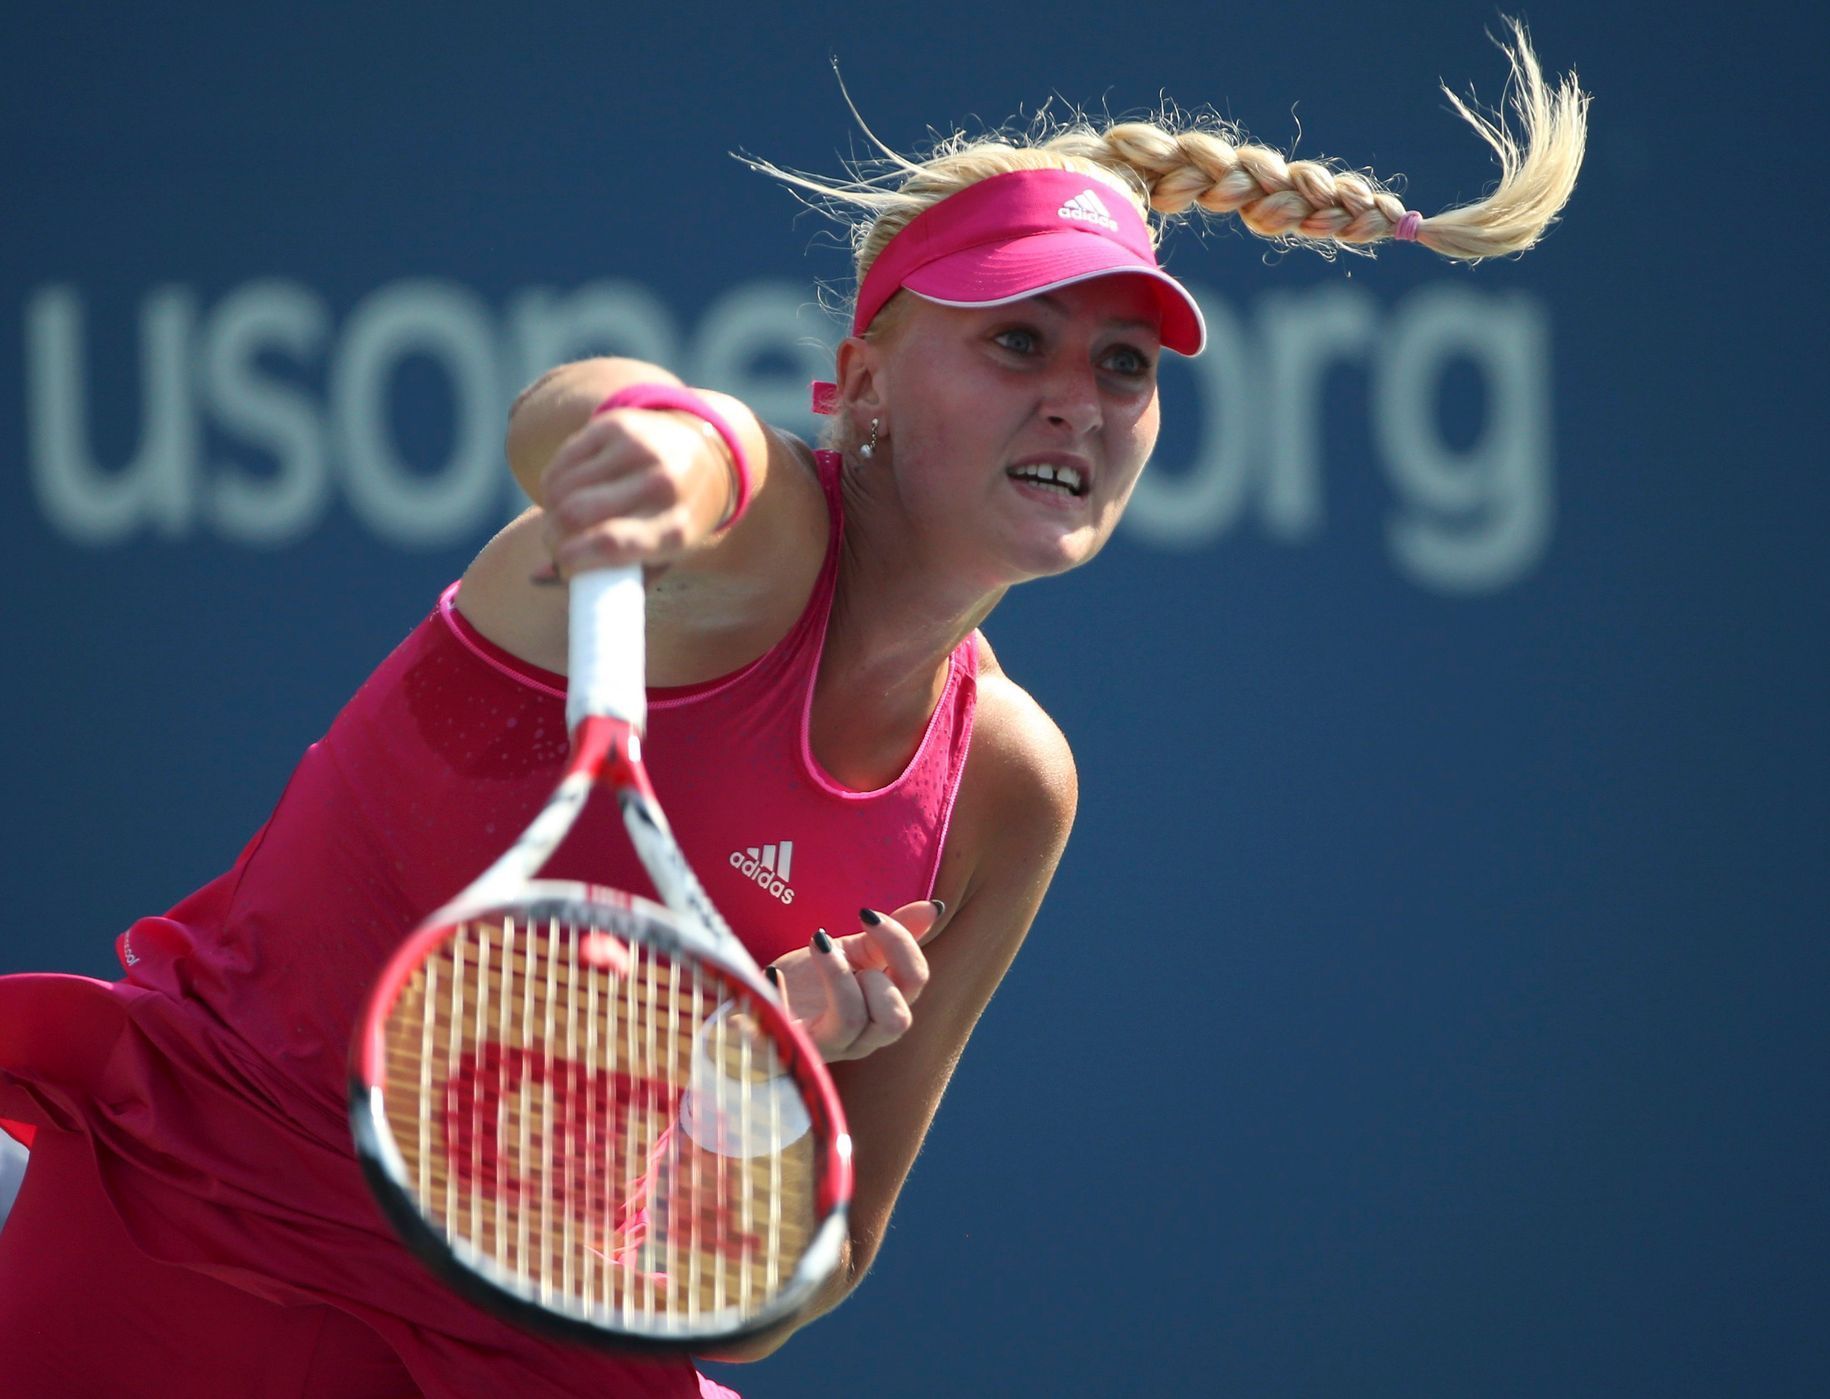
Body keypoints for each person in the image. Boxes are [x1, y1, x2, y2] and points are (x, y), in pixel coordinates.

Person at [0, 25, 1585, 1397]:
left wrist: (748, 1100)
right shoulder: (753, 538)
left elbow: (799, 1280)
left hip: (533, 1341)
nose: (1077, 401)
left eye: (1123, 368)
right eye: (1015, 341)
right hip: (187, 1229)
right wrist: (622, 452)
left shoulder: (1010, 787)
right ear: (862, 383)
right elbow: (633, 415)